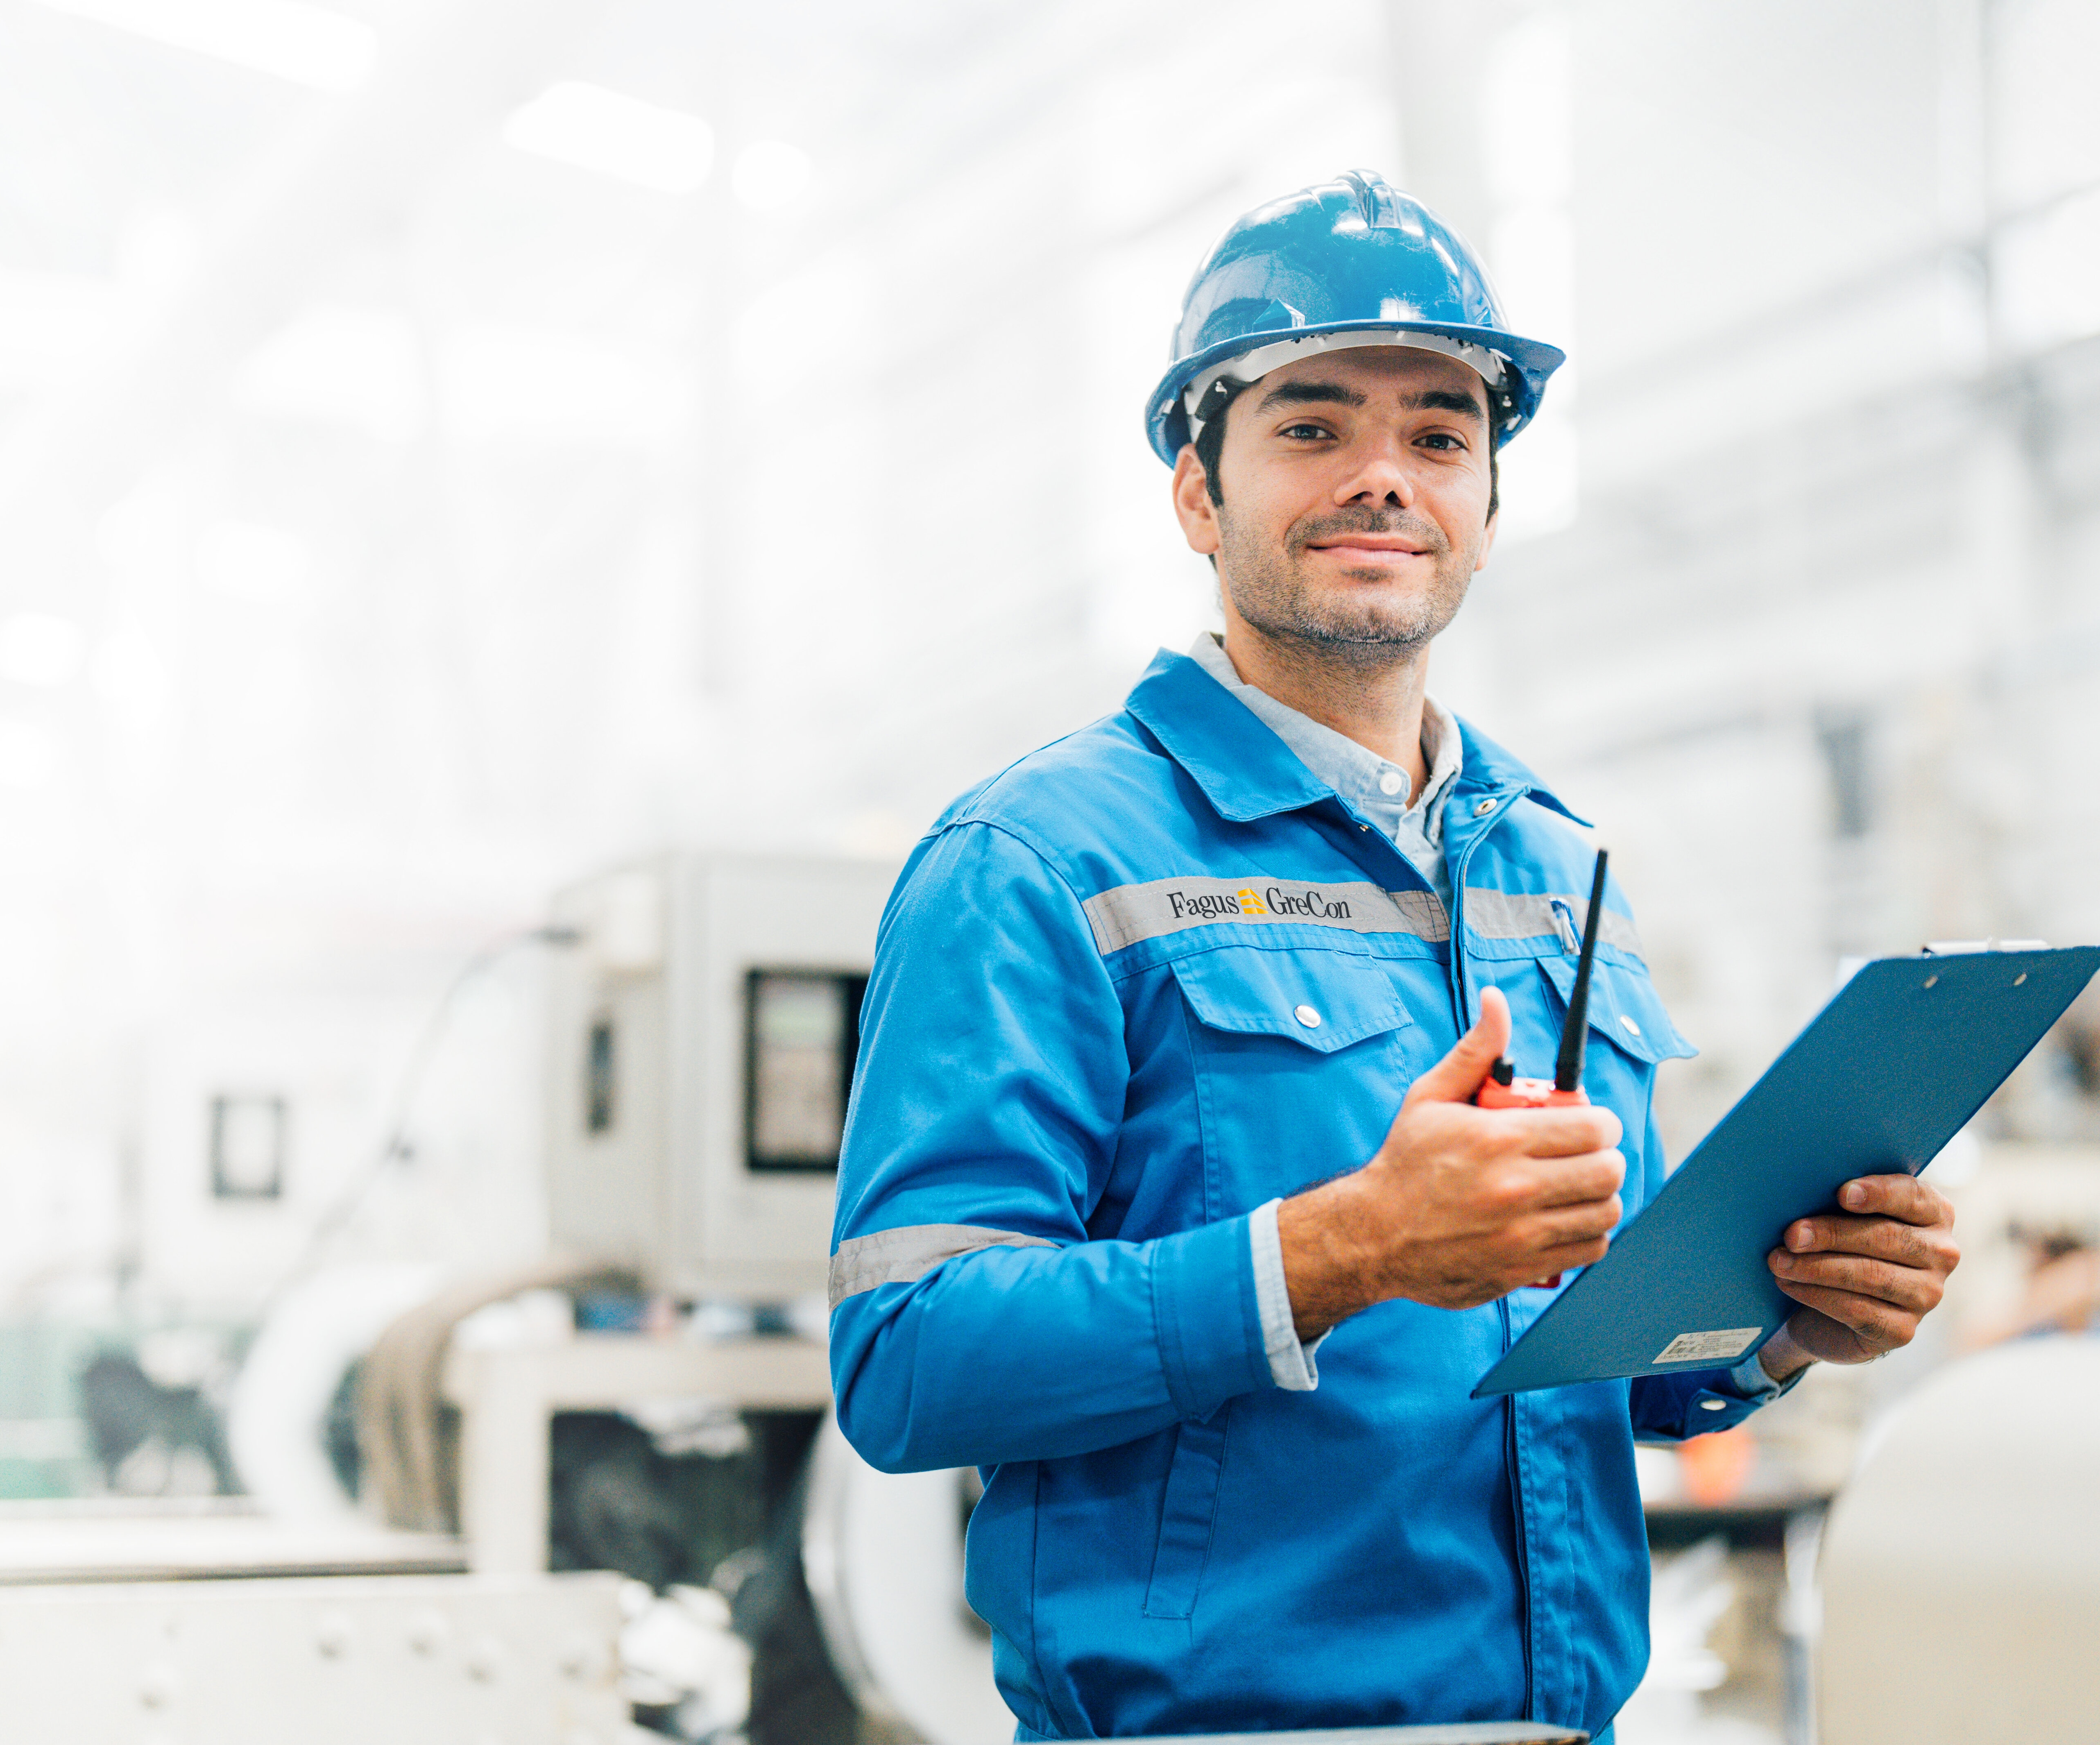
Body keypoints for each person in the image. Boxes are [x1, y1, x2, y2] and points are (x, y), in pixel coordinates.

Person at [824, 172, 1960, 1739]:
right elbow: (904, 1358)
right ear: (1194, 493)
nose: (1382, 478)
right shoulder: (1031, 860)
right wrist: (1342, 1247)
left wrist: (1778, 1323)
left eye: (1438, 436)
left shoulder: (1558, 871)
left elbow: (1572, 1367)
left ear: (1487, 506)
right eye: (1310, 428)